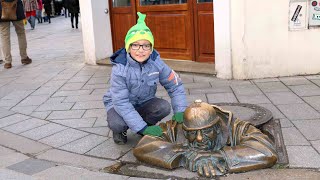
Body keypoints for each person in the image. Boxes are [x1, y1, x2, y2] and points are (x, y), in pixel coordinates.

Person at [133, 100, 278, 178]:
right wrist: (184, 154)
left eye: (207, 131)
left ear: (217, 127)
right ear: (184, 129)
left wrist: (221, 155)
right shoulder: (176, 127)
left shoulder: (235, 127)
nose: (200, 138)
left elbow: (267, 151)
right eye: (192, 133)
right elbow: (143, 146)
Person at [103, 12, 188, 145]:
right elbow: (121, 102)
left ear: (151, 48)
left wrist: (181, 111)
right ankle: (125, 130)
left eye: (146, 45)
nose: (140, 50)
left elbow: (175, 85)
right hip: (119, 105)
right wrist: (142, 128)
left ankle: (144, 126)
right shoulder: (119, 69)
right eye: (135, 45)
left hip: (144, 101)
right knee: (117, 124)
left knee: (163, 107)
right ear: (128, 47)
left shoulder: (157, 63)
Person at [0, 0, 32, 69]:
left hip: (2, 9)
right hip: (16, 7)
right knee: (21, 33)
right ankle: (24, 57)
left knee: (4, 36)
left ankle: (7, 62)